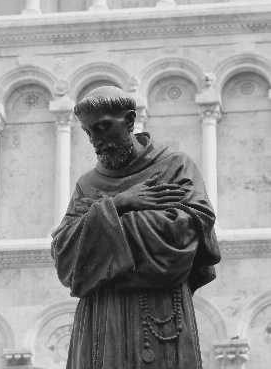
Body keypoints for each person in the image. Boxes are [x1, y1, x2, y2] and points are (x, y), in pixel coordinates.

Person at [51, 86, 221, 369]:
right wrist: (119, 204)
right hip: (102, 318)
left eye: (103, 127)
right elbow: (65, 254)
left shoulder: (174, 167)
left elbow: (185, 231)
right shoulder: (87, 185)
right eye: (88, 131)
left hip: (162, 307)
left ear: (129, 121)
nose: (96, 140)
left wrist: (101, 234)